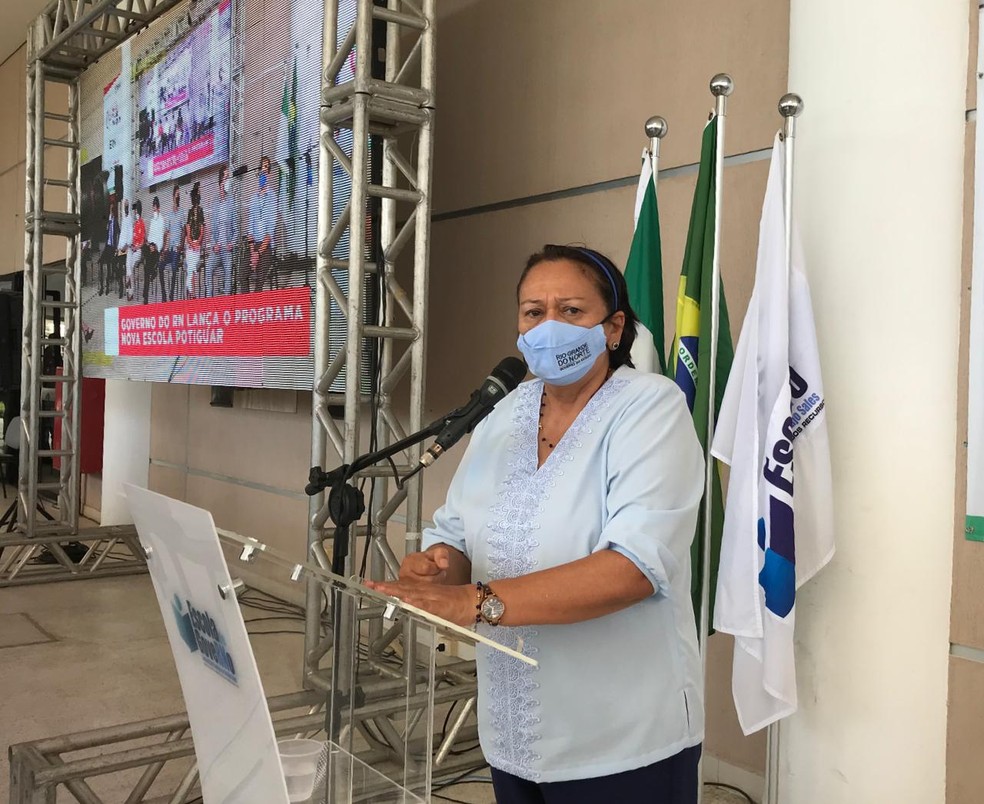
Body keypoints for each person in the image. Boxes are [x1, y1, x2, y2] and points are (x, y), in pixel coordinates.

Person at [367, 244, 706, 803]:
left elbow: (634, 568)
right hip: (513, 734)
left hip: (621, 740)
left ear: (614, 328)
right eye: (533, 311)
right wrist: (439, 569)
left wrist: (474, 603)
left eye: (570, 310)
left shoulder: (650, 407)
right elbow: (456, 531)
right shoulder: (503, 412)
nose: (549, 326)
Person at [245, 155, 277, 293]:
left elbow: (270, 233)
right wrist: (253, 251)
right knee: (242, 275)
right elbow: (250, 229)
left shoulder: (273, 198)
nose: (263, 173)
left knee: (259, 278)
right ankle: (246, 303)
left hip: (265, 246)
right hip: (253, 246)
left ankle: (256, 302)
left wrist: (258, 253)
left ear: (269, 174)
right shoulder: (253, 199)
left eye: (266, 170)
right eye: (261, 170)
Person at [208, 165, 237, 296]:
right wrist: (214, 245)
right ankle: (209, 299)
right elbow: (211, 230)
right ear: (221, 180)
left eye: (228, 177)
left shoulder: (231, 202)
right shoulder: (214, 203)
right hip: (217, 248)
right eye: (225, 177)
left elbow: (236, 229)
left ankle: (226, 300)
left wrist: (232, 243)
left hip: (227, 248)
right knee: (208, 269)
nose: (227, 180)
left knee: (228, 272)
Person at [184, 182, 207, 299]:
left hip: (197, 245)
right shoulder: (189, 212)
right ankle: (192, 293)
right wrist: (191, 243)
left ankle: (190, 292)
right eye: (198, 192)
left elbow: (202, 230)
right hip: (190, 245)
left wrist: (197, 243)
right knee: (191, 266)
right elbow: (188, 232)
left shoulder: (201, 211)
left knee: (192, 266)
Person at [162, 183, 184, 303]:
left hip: (177, 249)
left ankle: (171, 295)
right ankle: (164, 294)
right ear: (173, 197)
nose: (177, 197)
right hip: (169, 249)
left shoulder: (182, 213)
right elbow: (166, 233)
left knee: (174, 266)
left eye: (179, 195)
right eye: (176, 195)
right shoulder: (169, 215)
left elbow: (184, 231)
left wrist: (181, 246)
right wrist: (164, 248)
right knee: (160, 266)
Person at [145, 196, 165, 305]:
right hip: (151, 247)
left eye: (156, 208)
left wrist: (155, 247)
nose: (154, 210)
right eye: (153, 208)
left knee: (148, 265)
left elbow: (161, 237)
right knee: (146, 266)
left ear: (159, 208)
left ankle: (153, 271)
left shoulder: (161, 220)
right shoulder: (152, 220)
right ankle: (146, 295)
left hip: (157, 248)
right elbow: (150, 235)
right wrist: (149, 244)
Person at [126, 199, 146, 302]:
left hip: (138, 250)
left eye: (136, 210)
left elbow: (143, 241)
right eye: (134, 210)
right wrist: (130, 245)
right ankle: (129, 284)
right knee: (128, 265)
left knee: (131, 267)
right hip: (132, 248)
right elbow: (132, 238)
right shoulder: (134, 224)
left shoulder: (142, 223)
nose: (135, 212)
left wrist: (136, 248)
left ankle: (130, 291)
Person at [116, 198, 132, 299]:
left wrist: (125, 246)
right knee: (117, 266)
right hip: (121, 248)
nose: (125, 208)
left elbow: (130, 235)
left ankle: (128, 290)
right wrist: (119, 247)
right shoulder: (123, 220)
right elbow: (122, 235)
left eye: (127, 206)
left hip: (127, 248)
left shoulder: (130, 219)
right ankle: (121, 288)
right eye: (124, 206)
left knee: (126, 268)